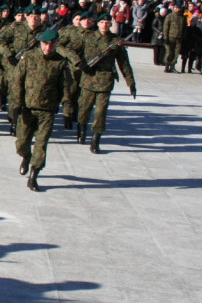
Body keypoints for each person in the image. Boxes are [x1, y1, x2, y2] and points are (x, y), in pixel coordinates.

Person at [11, 29, 72, 191]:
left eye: (51, 45)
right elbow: (17, 80)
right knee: (21, 142)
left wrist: (67, 110)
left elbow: (66, 87)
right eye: (45, 44)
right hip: (27, 107)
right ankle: (26, 156)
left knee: (41, 143)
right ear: (40, 43)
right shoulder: (29, 57)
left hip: (48, 110)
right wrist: (16, 104)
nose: (48, 48)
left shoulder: (60, 62)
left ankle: (34, 175)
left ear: (56, 44)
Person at [76, 14, 137, 154]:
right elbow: (70, 49)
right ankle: (82, 128)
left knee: (100, 113)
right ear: (97, 23)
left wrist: (131, 83)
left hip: (105, 81)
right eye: (101, 22)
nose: (104, 25)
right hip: (88, 79)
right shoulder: (87, 36)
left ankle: (95, 140)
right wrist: (79, 63)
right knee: (83, 110)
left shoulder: (116, 41)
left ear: (111, 25)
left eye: (107, 22)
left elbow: (124, 63)